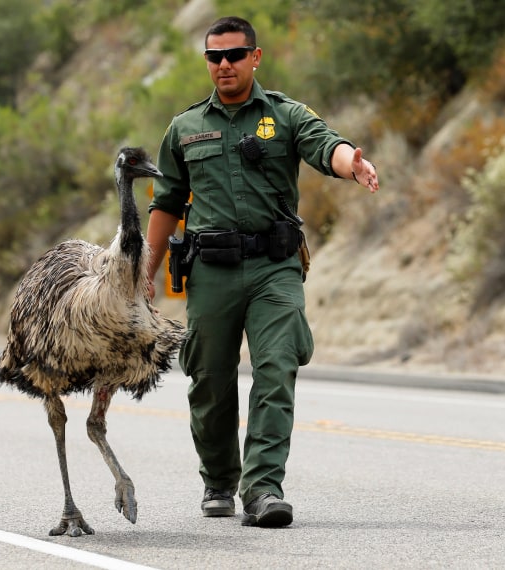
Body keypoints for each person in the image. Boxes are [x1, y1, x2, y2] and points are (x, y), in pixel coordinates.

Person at [146, 16, 379, 528]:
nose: (223, 65)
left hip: (275, 268)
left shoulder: (284, 115)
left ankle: (264, 487)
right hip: (211, 270)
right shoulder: (184, 128)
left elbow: (326, 144)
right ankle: (219, 479)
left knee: (276, 368)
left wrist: (351, 163)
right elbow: (165, 203)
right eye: (214, 57)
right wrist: (146, 273)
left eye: (234, 55)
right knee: (209, 380)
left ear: (255, 56)